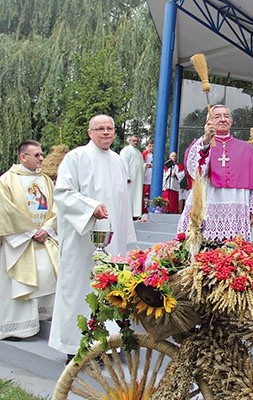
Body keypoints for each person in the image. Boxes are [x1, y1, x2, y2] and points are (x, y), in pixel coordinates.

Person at [49, 114, 136, 361]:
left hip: (111, 240)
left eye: (110, 128)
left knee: (107, 288)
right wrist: (91, 208)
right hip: (82, 239)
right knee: (78, 288)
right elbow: (63, 193)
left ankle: (105, 343)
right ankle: (73, 345)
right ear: (90, 132)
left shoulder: (119, 161)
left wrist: (123, 235)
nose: (106, 132)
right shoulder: (75, 158)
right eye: (100, 128)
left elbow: (123, 200)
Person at [177, 104, 253, 239]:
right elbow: (194, 170)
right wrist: (206, 141)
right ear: (209, 122)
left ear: (231, 121)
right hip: (208, 200)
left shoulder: (246, 148)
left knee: (234, 247)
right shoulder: (201, 144)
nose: (222, 119)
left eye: (226, 116)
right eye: (217, 116)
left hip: (236, 201)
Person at [0, 140, 58, 340]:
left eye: (41, 154)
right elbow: (6, 211)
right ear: (23, 157)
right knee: (21, 281)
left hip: (43, 237)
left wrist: (47, 229)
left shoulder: (47, 181)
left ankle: (42, 316)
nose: (41, 158)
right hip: (19, 242)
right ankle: (17, 327)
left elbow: (56, 207)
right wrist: (29, 232)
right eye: (37, 155)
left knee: (48, 272)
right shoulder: (7, 180)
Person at [119, 134, 144, 219]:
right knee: (129, 196)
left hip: (137, 179)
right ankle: (127, 214)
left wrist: (145, 166)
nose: (135, 142)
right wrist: (127, 176)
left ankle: (135, 213)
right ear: (129, 141)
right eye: (134, 141)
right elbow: (123, 163)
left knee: (136, 195)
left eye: (137, 141)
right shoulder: (126, 150)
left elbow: (140, 164)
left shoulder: (138, 152)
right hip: (130, 179)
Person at [141, 139, 154, 213]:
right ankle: (144, 210)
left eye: (152, 146)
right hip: (146, 176)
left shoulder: (154, 154)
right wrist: (146, 165)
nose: (151, 148)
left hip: (151, 176)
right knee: (145, 195)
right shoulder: (144, 154)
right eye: (150, 146)